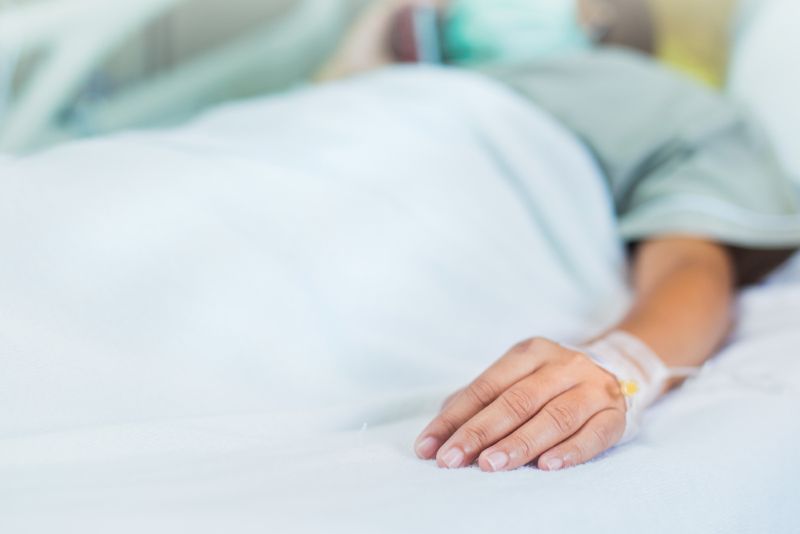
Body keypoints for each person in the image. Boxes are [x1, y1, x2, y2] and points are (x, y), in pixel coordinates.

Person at [319, 0, 800, 472]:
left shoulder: (658, 100)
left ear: (600, 27)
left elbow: (691, 260)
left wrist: (621, 366)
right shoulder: (395, 80)